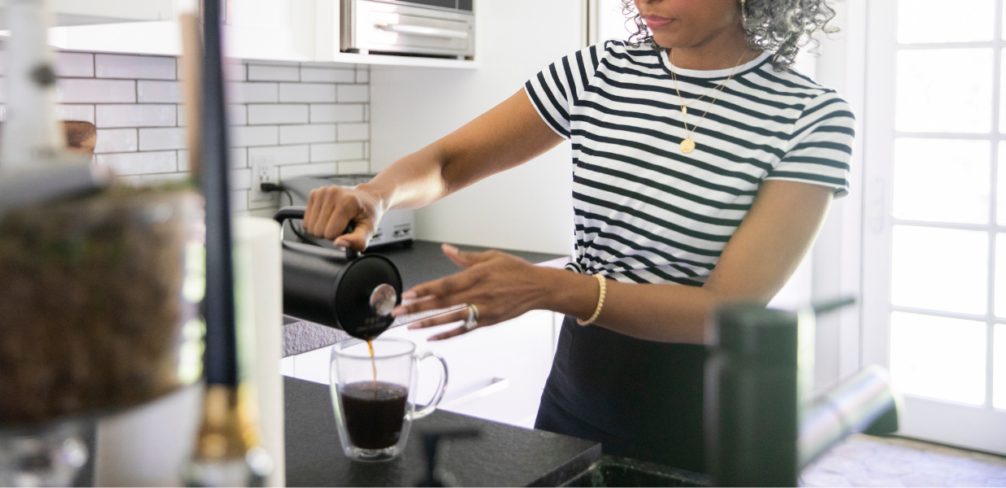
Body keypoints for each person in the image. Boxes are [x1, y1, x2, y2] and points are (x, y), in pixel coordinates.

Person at [301, 0, 851, 472]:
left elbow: (726, 308)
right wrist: (376, 193)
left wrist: (552, 288)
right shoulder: (597, 73)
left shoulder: (811, 117)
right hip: (577, 397)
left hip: (711, 424)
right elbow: (449, 163)